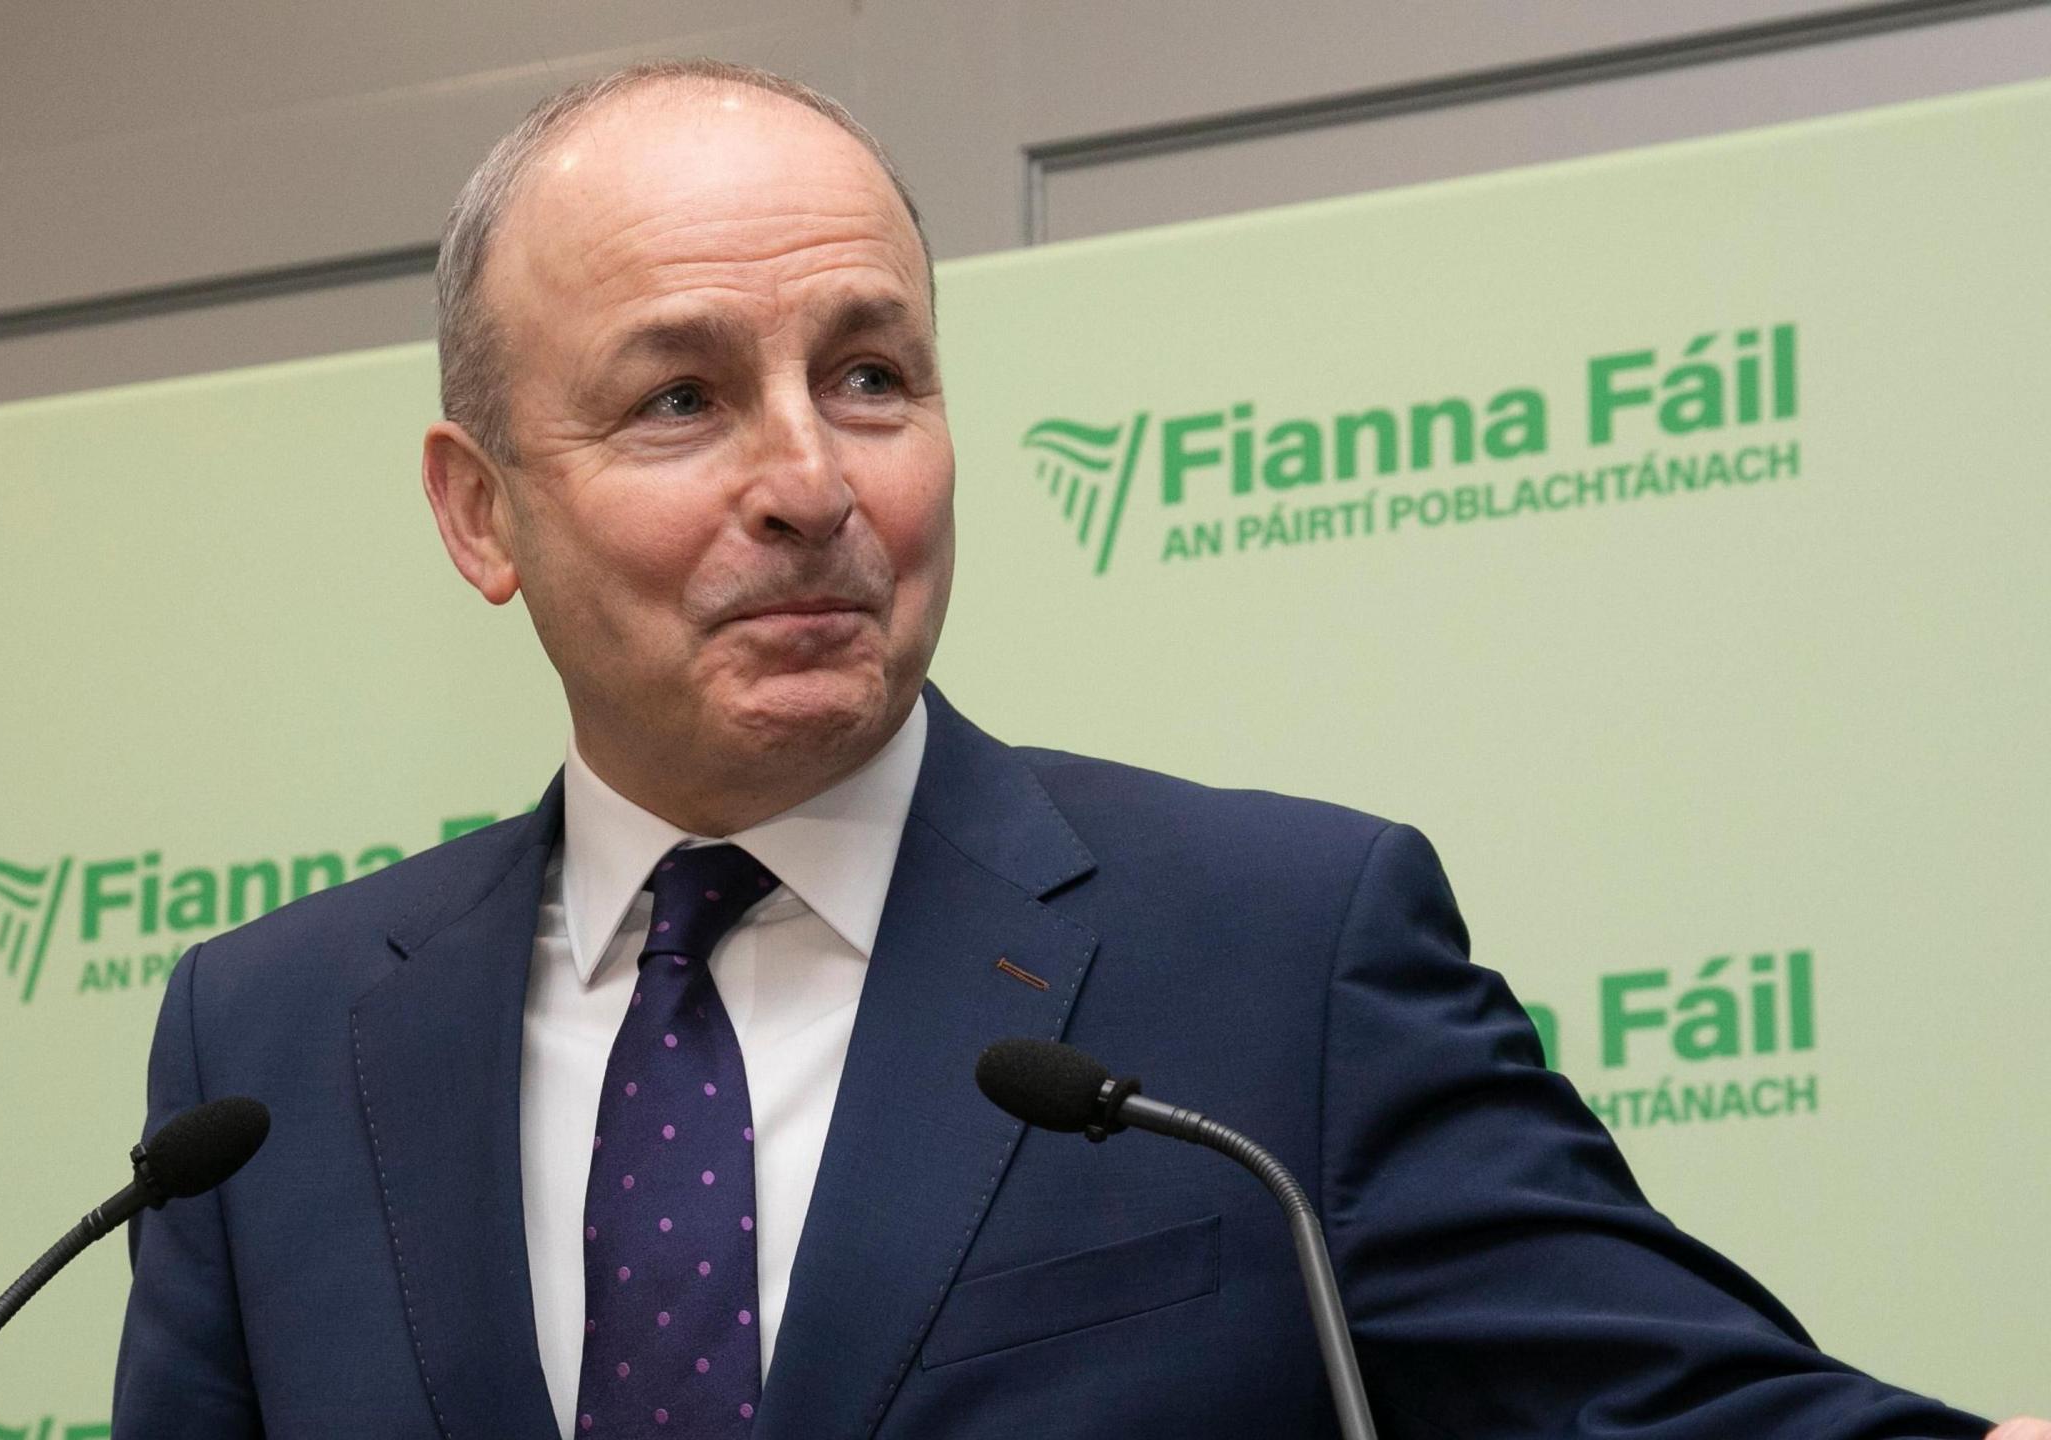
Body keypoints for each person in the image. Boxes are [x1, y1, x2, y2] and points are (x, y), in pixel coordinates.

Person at [113, 59, 2041, 1440]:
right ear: (479, 514)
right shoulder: (268, 1047)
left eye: (870, 375)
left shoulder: (1281, 958)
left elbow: (1695, 1413)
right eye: (682, 397)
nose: (809, 480)